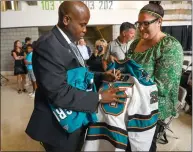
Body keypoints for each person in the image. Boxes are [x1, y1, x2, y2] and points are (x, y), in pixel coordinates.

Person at [25, 1, 127, 152]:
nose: (85, 30)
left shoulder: (69, 42)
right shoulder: (47, 46)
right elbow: (58, 92)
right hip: (58, 127)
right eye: (83, 24)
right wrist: (98, 97)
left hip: (75, 116)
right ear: (66, 20)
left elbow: (79, 73)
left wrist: (101, 76)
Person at [125, 1, 183, 151]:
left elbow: (162, 87)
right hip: (131, 101)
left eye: (145, 23)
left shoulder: (169, 47)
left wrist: (129, 90)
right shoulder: (135, 43)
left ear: (159, 22)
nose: (141, 28)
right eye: (139, 24)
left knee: (142, 145)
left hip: (151, 109)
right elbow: (127, 67)